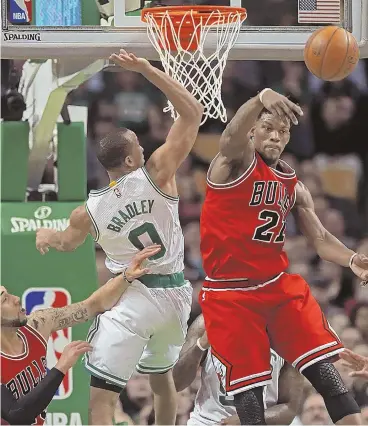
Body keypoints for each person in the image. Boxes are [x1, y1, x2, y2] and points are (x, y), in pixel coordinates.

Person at [35, 49, 203, 425]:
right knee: (163, 385)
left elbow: (66, 243)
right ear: (129, 161)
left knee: (101, 398)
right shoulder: (158, 172)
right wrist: (146, 68)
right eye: (138, 147)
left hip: (133, 296)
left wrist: (48, 234)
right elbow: (192, 112)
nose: (145, 149)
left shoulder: (89, 210)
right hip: (175, 295)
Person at [199, 88, 368, 425]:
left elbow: (320, 238)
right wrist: (260, 99)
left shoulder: (293, 183)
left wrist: (351, 259)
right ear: (253, 131)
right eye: (267, 128)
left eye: (282, 131)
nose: (275, 136)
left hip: (276, 287)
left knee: (324, 369)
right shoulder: (232, 164)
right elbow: (229, 138)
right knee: (250, 394)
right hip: (230, 293)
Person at [1, 245, 159, 425]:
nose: (15, 299)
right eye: (4, 299)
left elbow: (92, 305)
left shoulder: (37, 325)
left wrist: (126, 276)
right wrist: (60, 368)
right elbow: (16, 415)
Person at [173, 314, 304, 425]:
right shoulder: (207, 321)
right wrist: (201, 345)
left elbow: (289, 408)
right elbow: (177, 383)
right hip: (207, 421)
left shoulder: (288, 331)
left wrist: (248, 420)